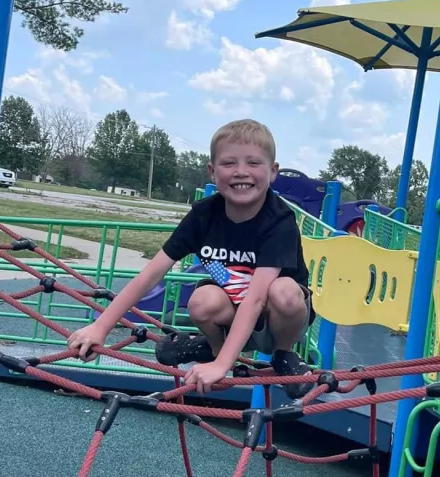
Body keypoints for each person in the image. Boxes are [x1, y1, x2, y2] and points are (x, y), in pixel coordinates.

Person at [66, 118, 316, 399]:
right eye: (229, 163)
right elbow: (152, 273)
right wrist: (101, 326)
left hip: (278, 318)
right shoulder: (203, 216)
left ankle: (284, 356)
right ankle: (217, 349)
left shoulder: (278, 220)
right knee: (201, 300)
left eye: (253, 163)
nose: (241, 172)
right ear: (212, 171)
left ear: (272, 172)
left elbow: (257, 299)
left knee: (283, 291)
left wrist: (222, 366)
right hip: (233, 311)